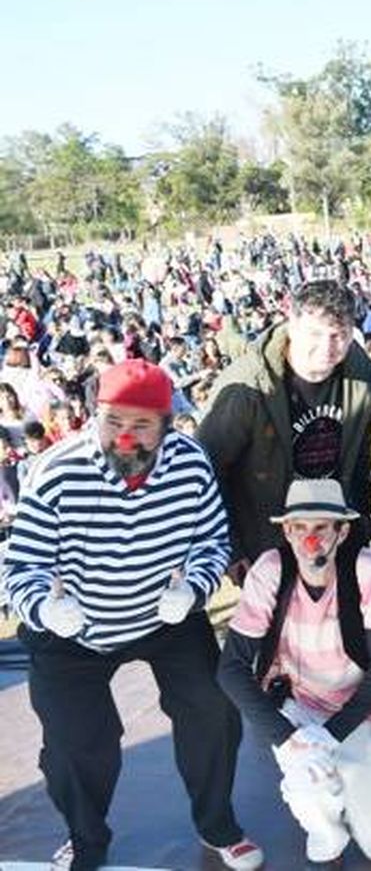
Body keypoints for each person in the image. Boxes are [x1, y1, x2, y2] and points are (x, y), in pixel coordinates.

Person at [1, 359, 262, 871]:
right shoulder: (55, 470)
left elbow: (211, 542)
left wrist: (193, 590)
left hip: (166, 615)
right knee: (78, 746)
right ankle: (85, 838)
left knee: (214, 708)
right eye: (112, 421)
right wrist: (46, 608)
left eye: (141, 425)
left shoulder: (190, 463)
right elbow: (19, 565)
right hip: (73, 625)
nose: (124, 436)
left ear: (166, 425)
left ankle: (217, 824)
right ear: (94, 415)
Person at [217, 480, 371, 866]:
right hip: (298, 704)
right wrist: (286, 738)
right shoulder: (270, 570)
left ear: (343, 530)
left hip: (360, 708)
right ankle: (326, 830)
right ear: (286, 530)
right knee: (307, 781)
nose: (310, 539)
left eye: (322, 527)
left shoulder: (367, 569)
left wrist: (333, 733)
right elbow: (231, 669)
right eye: (299, 527)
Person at [198, 280, 371, 583]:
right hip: (266, 542)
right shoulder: (248, 387)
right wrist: (231, 548)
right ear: (292, 326)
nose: (327, 347)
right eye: (315, 334)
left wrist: (360, 526)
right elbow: (206, 470)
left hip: (334, 538)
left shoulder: (361, 375)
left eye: (339, 336)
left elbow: (360, 458)